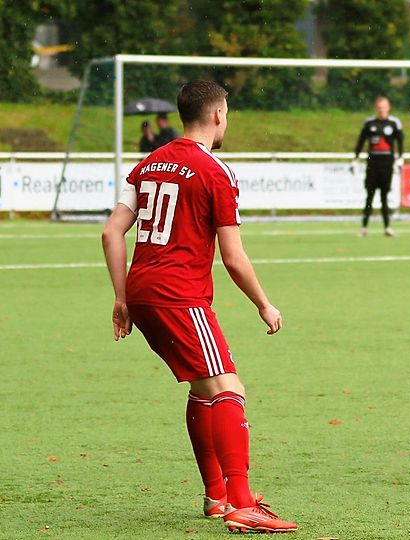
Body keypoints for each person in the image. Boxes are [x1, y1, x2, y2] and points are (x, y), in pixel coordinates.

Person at [101, 80, 298, 533]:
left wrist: (121, 297)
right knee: (229, 388)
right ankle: (242, 503)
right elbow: (233, 257)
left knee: (202, 388)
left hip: (142, 293)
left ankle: (216, 495)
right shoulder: (215, 171)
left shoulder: (149, 163)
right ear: (216, 115)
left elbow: (111, 232)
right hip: (179, 295)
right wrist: (264, 304)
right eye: (227, 111)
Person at [352, 96, 404, 237]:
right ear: (376, 108)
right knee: (369, 196)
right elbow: (361, 141)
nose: (382, 110)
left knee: (384, 197)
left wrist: (400, 158)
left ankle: (387, 227)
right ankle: (364, 227)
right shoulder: (369, 123)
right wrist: (355, 158)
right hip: (372, 164)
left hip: (387, 164)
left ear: (388, 107)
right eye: (379, 107)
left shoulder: (394, 123)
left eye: (384, 107)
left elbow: (400, 142)